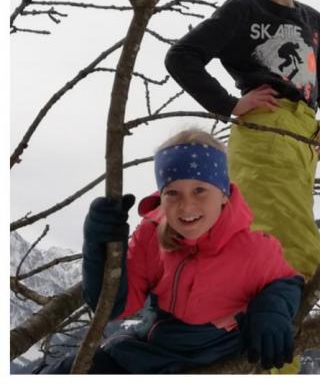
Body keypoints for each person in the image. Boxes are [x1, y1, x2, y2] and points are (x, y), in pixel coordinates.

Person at [164, 0, 320, 282]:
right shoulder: (243, 10)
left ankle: (276, 312)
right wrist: (229, 105)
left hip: (303, 137)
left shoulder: (314, 21)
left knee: (289, 220)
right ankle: (280, 311)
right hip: (264, 127)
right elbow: (182, 57)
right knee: (281, 230)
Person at [43, 129, 302, 374]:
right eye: (173, 193)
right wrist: (99, 245)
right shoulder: (151, 235)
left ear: (224, 193)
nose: (186, 205)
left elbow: (287, 282)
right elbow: (112, 306)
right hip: (151, 351)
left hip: (218, 351)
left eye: (200, 190)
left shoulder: (253, 247)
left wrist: (271, 309)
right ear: (162, 195)